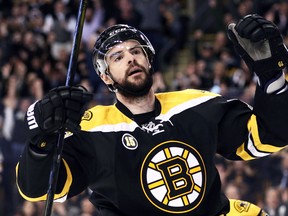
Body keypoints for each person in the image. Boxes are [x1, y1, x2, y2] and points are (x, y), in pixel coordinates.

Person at [15, 14, 288, 215]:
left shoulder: (195, 104)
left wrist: (271, 77)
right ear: (105, 76)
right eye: (117, 57)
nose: (131, 58)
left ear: (149, 60)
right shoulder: (90, 129)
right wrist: (42, 141)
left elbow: (267, 137)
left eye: (136, 51)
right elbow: (37, 189)